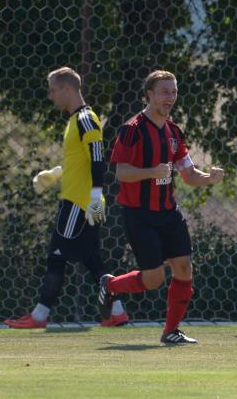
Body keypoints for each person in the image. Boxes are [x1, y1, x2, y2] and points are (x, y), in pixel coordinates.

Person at [99, 70, 225, 345]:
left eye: (174, 92)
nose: (171, 97)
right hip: (139, 214)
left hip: (168, 211)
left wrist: (210, 178)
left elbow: (189, 174)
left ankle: (171, 331)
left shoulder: (174, 132)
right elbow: (121, 173)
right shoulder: (132, 129)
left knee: (183, 268)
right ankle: (110, 286)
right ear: (149, 95)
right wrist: (152, 171)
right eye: (165, 92)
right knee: (154, 279)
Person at [4, 67, 129, 329]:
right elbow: (82, 160)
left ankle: (39, 316)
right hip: (82, 200)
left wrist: (95, 196)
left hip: (79, 204)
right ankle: (117, 311)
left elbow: (97, 158)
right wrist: (56, 173)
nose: (50, 96)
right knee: (92, 260)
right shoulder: (75, 120)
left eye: (52, 90)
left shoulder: (85, 119)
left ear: (66, 89)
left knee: (56, 256)